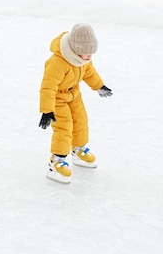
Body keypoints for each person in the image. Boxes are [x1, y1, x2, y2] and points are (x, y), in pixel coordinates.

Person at [39, 23, 113, 183]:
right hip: (57, 99)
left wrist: (99, 86)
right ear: (75, 49)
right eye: (86, 53)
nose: (89, 56)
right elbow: (48, 87)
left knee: (81, 120)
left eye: (91, 52)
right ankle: (56, 161)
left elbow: (89, 72)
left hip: (74, 94)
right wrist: (47, 110)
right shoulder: (57, 63)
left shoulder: (84, 59)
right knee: (63, 126)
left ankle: (78, 150)